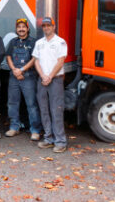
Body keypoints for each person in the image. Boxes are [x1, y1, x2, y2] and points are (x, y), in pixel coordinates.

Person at [33, 17, 68, 153]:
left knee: (56, 110)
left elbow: (60, 62)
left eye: (49, 25)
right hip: (42, 80)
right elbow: (36, 61)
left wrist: (50, 76)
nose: (46, 27)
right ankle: (48, 139)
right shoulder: (39, 43)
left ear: (54, 27)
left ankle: (60, 141)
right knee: (44, 110)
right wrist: (43, 76)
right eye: (44, 26)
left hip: (55, 80)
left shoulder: (60, 42)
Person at [5, 18, 42, 140]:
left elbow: (34, 59)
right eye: (19, 27)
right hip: (14, 77)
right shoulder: (13, 42)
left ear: (27, 29)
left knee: (31, 104)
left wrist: (22, 70)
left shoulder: (33, 42)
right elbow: (8, 56)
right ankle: (14, 127)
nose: (21, 29)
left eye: (23, 27)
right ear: (16, 29)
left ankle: (35, 130)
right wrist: (15, 70)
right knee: (12, 103)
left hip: (28, 77)